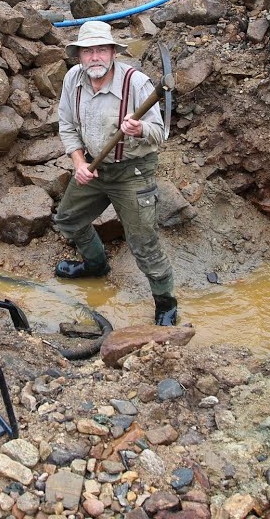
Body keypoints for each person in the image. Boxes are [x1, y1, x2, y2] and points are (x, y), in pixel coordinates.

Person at [52, 20, 179, 326]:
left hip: (132, 171)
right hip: (94, 166)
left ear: (113, 53)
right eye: (88, 51)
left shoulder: (136, 83)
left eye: (101, 50)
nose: (95, 57)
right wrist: (79, 163)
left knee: (143, 242)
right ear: (79, 56)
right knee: (68, 220)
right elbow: (66, 125)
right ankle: (95, 265)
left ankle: (166, 302)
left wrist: (139, 129)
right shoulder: (73, 79)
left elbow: (159, 133)